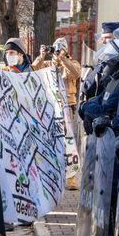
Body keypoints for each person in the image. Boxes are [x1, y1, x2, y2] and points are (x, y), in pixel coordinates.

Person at [33, 37, 82, 190]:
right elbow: (34, 69)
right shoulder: (48, 64)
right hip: (51, 106)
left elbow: (75, 73)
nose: (56, 51)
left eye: (60, 49)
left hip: (68, 106)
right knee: (50, 140)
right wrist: (42, 56)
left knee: (68, 141)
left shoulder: (72, 63)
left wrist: (63, 59)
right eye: (55, 49)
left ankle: (71, 178)